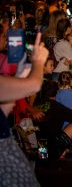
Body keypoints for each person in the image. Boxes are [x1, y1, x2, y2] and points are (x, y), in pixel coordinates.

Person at [0, 32, 48, 187]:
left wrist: (20, 78)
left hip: (12, 126)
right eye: (3, 36)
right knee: (32, 146)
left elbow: (4, 109)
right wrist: (38, 61)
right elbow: (34, 85)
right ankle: (41, 161)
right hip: (19, 124)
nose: (6, 41)